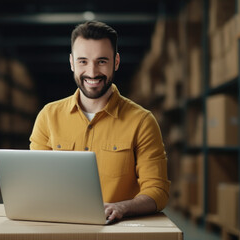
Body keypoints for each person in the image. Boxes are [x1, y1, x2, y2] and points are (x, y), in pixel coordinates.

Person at [29, 21, 170, 222]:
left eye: (102, 61)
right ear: (71, 62)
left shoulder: (142, 121)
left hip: (118, 230)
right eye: (83, 61)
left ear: (116, 62)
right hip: (61, 227)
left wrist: (122, 207)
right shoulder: (48, 117)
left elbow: (157, 190)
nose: (92, 72)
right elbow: (36, 182)